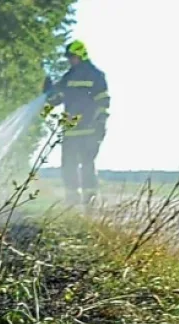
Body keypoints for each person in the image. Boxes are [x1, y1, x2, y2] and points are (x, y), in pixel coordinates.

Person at [43, 40, 110, 207]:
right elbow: (56, 100)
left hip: (89, 129)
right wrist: (48, 91)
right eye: (69, 58)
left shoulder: (96, 75)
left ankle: (91, 203)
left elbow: (103, 101)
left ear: (81, 55)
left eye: (73, 57)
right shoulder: (68, 76)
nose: (70, 60)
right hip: (71, 131)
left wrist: (100, 123)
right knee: (68, 167)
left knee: (87, 166)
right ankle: (72, 202)